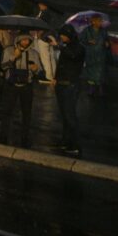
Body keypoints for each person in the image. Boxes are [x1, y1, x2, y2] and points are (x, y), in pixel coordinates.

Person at [0, 33, 40, 147]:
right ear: (18, 40)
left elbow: (39, 70)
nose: (26, 42)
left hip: (26, 86)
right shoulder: (9, 50)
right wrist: (14, 57)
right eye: (24, 39)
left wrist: (36, 69)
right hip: (11, 85)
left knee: (26, 113)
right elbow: (3, 66)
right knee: (7, 112)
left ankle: (25, 137)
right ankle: (3, 136)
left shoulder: (34, 53)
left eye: (28, 40)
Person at [51, 24, 85, 156]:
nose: (61, 38)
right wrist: (55, 78)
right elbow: (61, 64)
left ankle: (75, 145)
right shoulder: (65, 47)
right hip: (61, 84)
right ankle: (65, 141)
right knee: (64, 115)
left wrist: (58, 46)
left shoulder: (79, 48)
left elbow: (73, 56)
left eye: (63, 35)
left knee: (70, 116)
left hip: (71, 85)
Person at [82, 14, 110, 97]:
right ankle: (91, 89)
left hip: (101, 55)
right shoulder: (87, 30)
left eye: (101, 21)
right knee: (91, 72)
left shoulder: (103, 31)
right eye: (99, 20)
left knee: (101, 72)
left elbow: (107, 40)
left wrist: (107, 43)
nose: (101, 22)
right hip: (91, 54)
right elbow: (82, 40)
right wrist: (88, 41)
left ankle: (101, 88)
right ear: (93, 22)